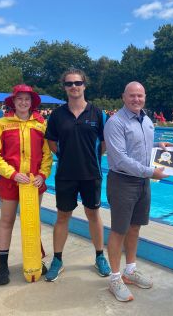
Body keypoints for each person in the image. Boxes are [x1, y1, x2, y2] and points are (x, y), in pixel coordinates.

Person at [104, 81, 173, 302]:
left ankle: (130, 270)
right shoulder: (115, 123)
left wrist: (159, 149)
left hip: (143, 181)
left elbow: (141, 150)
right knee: (119, 230)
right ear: (123, 97)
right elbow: (121, 158)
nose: (136, 99)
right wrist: (151, 172)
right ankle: (115, 278)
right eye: (132, 95)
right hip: (123, 181)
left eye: (140, 96)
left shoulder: (147, 121)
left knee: (134, 228)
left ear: (144, 97)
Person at [44, 68, 111, 281]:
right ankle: (57, 259)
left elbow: (106, 143)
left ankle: (100, 256)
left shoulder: (98, 114)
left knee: (93, 215)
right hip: (65, 174)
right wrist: (66, 156)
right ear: (64, 87)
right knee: (63, 216)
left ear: (84, 85)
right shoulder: (56, 115)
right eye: (69, 83)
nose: (74, 87)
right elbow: (52, 142)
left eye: (78, 83)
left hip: (91, 173)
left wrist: (89, 157)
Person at [0, 84, 53, 285]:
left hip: (34, 183)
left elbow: (46, 155)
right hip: (10, 182)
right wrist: (13, 174)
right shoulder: (2, 123)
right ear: (13, 102)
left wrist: (43, 174)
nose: (24, 103)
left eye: (27, 99)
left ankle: (35, 258)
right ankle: (3, 266)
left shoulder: (40, 125)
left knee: (33, 221)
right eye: (20, 99)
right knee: (7, 222)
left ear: (32, 102)